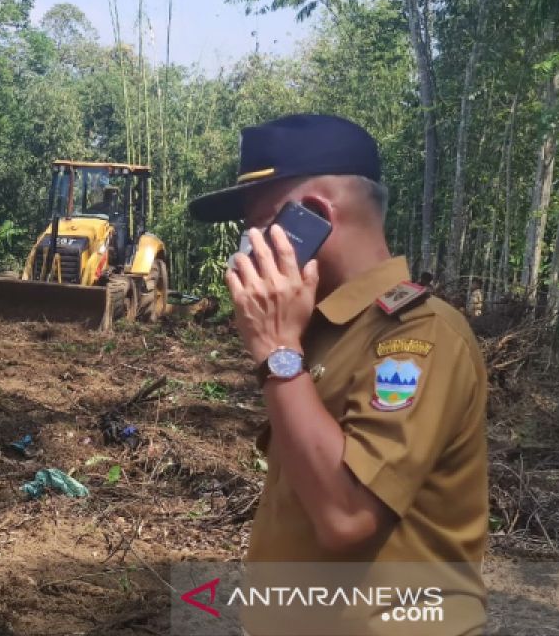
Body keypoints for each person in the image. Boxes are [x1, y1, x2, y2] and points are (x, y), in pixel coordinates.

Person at [188, 113, 488, 634]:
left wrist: (278, 353)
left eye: (259, 228)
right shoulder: (324, 330)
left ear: (314, 216)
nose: (246, 251)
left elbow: (347, 518)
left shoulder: (420, 337)